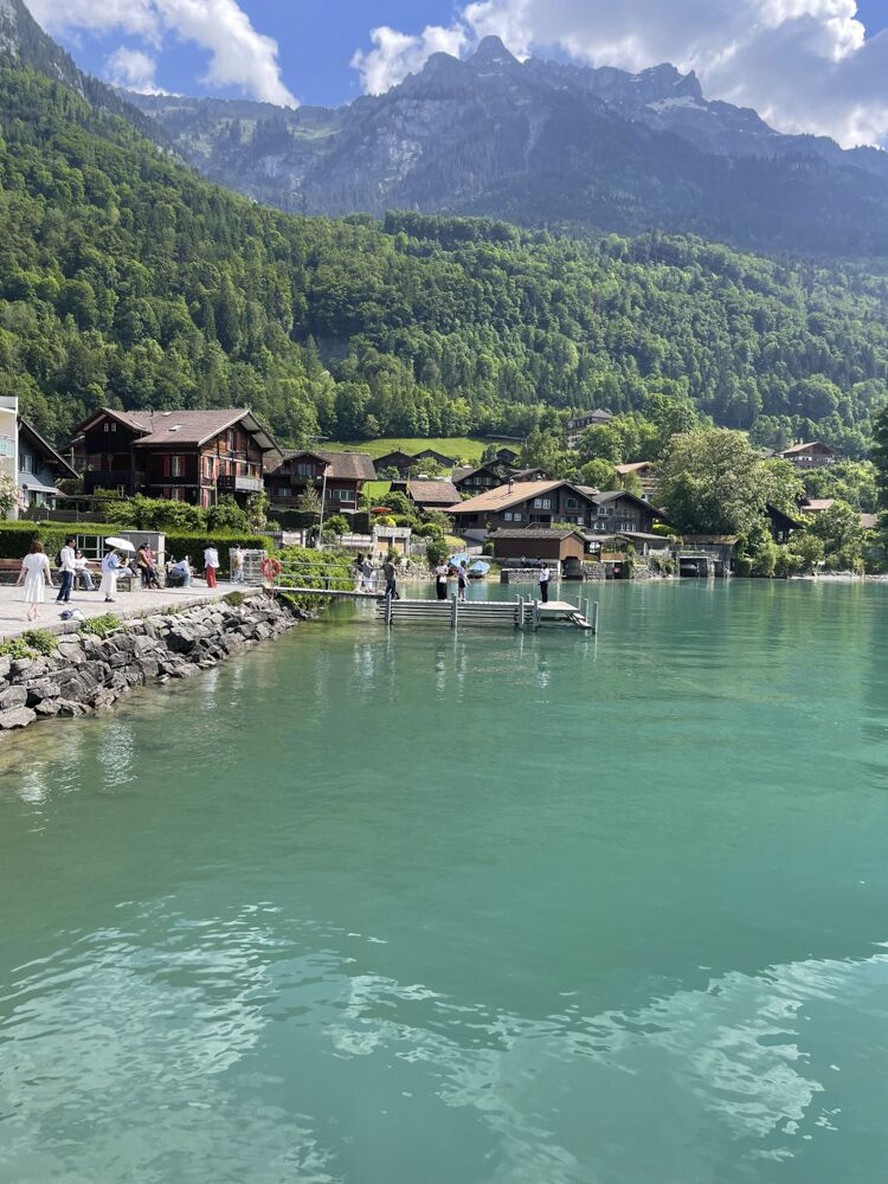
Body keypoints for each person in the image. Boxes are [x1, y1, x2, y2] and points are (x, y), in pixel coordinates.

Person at [16, 539, 52, 622]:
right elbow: (47, 569)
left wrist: (18, 580)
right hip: (38, 575)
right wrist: (49, 580)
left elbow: (23, 569)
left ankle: (36, 612)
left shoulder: (28, 556)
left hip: (30, 575)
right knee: (37, 593)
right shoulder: (43, 557)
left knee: (33, 593)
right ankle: (30, 611)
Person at [55, 536, 76, 603]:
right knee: (66, 584)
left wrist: (73, 567)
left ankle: (67, 598)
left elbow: (72, 560)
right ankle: (59, 598)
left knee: (69, 584)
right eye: (73, 542)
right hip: (66, 568)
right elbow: (66, 560)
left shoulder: (71, 550)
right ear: (69, 543)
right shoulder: (65, 550)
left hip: (70, 569)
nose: (74, 543)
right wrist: (72, 566)